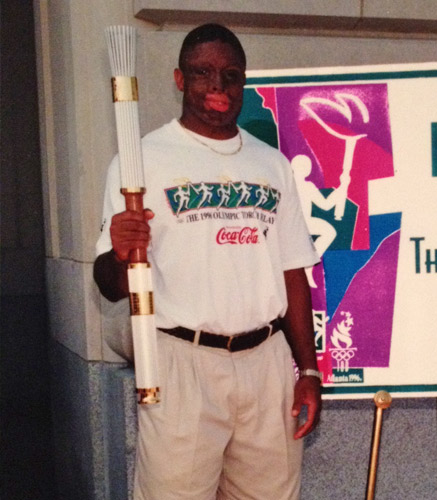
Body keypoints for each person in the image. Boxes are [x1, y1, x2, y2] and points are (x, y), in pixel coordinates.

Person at [94, 23, 322, 500]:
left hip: (266, 364)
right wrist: (119, 251)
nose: (218, 86)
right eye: (202, 73)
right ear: (180, 79)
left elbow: (292, 272)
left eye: (231, 75)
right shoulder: (141, 162)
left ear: (244, 82)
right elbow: (111, 286)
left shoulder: (271, 164)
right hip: (182, 361)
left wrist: (308, 370)